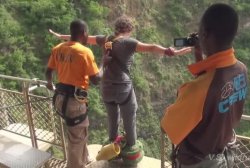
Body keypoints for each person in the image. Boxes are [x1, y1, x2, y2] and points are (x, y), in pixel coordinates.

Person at [49, 15, 191, 154]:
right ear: (129, 30)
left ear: (116, 28)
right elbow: (152, 47)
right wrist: (169, 51)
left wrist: (62, 36)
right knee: (129, 118)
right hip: (123, 88)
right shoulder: (129, 43)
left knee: (112, 119)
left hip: (106, 88)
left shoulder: (106, 39)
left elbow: (86, 38)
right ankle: (131, 147)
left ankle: (112, 144)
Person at [161, 3, 248, 168]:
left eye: (201, 32)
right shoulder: (241, 70)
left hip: (199, 162)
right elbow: (211, 79)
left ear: (205, 34)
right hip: (225, 153)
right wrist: (198, 52)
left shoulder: (197, 89)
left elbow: (167, 127)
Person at [45, 19, 101, 168]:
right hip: (74, 101)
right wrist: (105, 65)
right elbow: (96, 79)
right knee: (76, 138)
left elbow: (48, 70)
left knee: (79, 132)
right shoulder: (84, 51)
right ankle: (75, 165)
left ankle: (84, 159)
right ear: (84, 33)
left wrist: (50, 83)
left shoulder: (58, 48)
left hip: (60, 98)